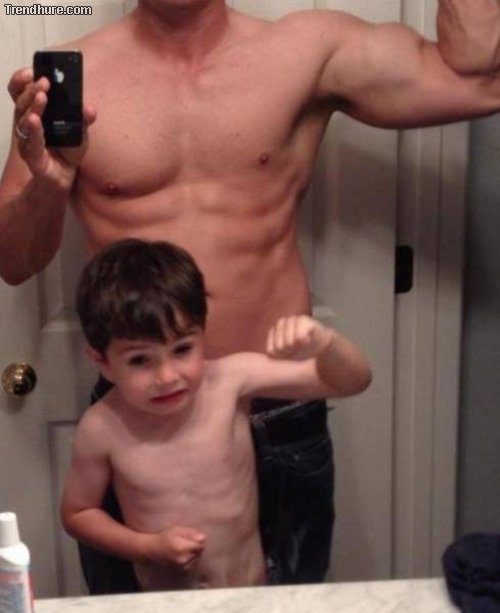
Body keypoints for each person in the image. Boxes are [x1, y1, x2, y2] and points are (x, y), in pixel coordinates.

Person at [1, 0, 500, 593]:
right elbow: (14, 262)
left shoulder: (306, 50)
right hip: (137, 424)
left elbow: (476, 79)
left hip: (277, 411)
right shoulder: (71, 77)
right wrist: (50, 184)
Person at [61, 237, 371, 590]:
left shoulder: (230, 381)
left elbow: (353, 381)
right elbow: (78, 513)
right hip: (166, 603)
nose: (167, 376)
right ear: (101, 361)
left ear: (202, 333)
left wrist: (326, 344)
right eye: (140, 360)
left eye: (182, 349)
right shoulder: (102, 427)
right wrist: (146, 547)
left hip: (249, 592)